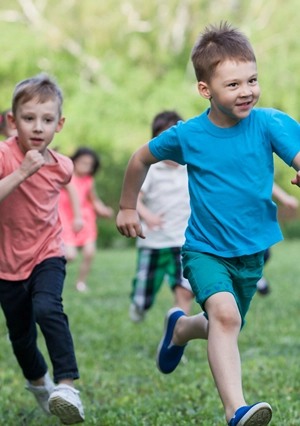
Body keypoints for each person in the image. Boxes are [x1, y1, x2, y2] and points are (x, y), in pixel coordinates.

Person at [116, 22, 300, 426]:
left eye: (252, 80)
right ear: (206, 90)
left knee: (224, 321)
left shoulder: (269, 123)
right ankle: (237, 411)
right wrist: (128, 206)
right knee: (227, 318)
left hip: (252, 253)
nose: (247, 90)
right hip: (204, 250)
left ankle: (179, 330)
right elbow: (139, 159)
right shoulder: (188, 135)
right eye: (233, 84)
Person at [0, 73, 85, 424]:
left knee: (48, 308)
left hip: (47, 251)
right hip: (5, 263)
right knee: (21, 338)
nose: (38, 128)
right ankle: (40, 385)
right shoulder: (4, 155)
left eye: (47, 120)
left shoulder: (61, 164)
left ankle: (67, 387)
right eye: (29, 118)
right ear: (12, 121)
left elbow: (72, 183)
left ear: (59, 124)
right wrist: (21, 172)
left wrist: (79, 215)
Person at [129, 111, 194, 323]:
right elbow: (134, 198)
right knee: (143, 297)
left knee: (185, 291)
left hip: (183, 242)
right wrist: (147, 216)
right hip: (153, 242)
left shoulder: (191, 167)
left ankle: (176, 335)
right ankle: (139, 306)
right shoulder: (151, 169)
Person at [59, 147, 114, 292]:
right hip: (66, 218)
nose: (85, 166)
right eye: (82, 162)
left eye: (89, 164)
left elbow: (94, 200)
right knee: (69, 255)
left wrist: (103, 210)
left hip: (86, 218)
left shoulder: (89, 180)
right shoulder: (65, 177)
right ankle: (54, 278)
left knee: (90, 252)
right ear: (74, 161)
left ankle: (80, 282)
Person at [257, 182, 299, 295]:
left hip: (255, 215)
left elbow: (264, 178)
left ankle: (256, 276)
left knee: (264, 254)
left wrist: (284, 197)